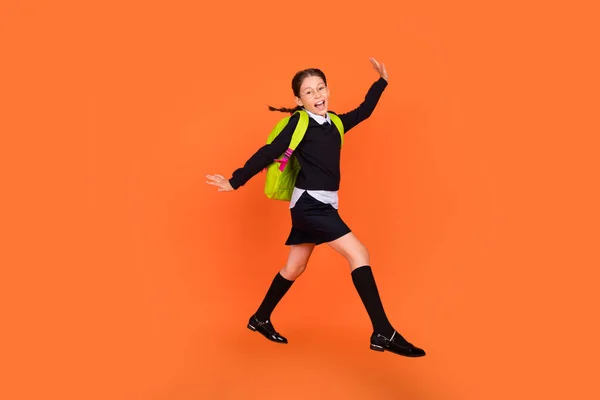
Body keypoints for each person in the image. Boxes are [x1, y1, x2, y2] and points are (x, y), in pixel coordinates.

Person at [206, 58, 425, 358]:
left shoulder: (334, 122)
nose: (317, 95)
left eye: (320, 88)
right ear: (298, 100)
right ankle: (383, 331)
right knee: (359, 254)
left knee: (294, 268)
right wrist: (235, 180)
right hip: (310, 205)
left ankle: (259, 319)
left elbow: (363, 112)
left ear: (328, 90)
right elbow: (271, 151)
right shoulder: (300, 122)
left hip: (318, 205)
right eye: (308, 92)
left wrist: (381, 82)